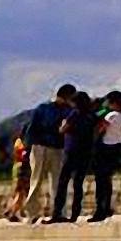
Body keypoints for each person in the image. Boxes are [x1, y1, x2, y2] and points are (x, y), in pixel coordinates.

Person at [22, 83, 75, 224]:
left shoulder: (69, 110)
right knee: (37, 180)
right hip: (40, 146)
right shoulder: (44, 108)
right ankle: (32, 213)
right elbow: (32, 129)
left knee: (58, 182)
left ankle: (58, 212)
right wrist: (28, 149)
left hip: (58, 148)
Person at [48, 91, 96, 224]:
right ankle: (75, 213)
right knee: (78, 183)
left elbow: (62, 129)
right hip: (86, 151)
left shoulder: (74, 113)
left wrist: (63, 122)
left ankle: (57, 213)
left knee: (63, 182)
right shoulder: (91, 115)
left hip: (72, 150)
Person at [88, 91, 121, 224]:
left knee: (101, 181)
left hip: (105, 148)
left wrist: (98, 112)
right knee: (106, 180)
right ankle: (105, 207)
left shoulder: (113, 115)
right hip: (115, 148)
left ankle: (100, 209)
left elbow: (100, 129)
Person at [2, 131, 29, 223]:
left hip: (17, 166)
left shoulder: (18, 142)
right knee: (20, 192)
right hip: (21, 167)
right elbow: (23, 155)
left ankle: (10, 210)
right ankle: (11, 211)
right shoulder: (21, 143)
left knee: (19, 192)